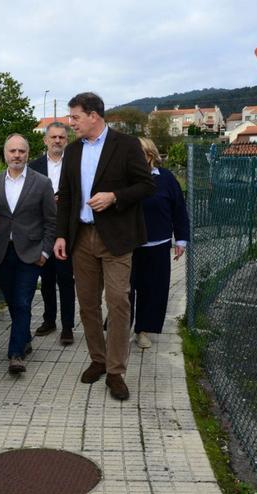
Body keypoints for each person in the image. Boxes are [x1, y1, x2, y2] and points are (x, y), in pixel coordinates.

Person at [53, 92, 156, 400]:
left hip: (117, 237)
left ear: (94, 116)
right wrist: (61, 235)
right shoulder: (72, 151)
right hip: (81, 237)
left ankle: (116, 371)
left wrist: (114, 197)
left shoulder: (125, 145)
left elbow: (147, 185)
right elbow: (66, 197)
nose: (72, 124)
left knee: (118, 302)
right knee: (87, 304)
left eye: (75, 117)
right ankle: (97, 360)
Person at [0, 134, 56, 374]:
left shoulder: (42, 183)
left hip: (31, 253)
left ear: (28, 154)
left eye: (22, 151)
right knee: (14, 303)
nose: (17, 155)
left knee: (23, 300)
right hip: (3, 253)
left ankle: (15, 354)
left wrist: (46, 252)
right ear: (5, 154)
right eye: (12, 151)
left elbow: (51, 221)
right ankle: (24, 338)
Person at [128, 138, 189, 348]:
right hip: (128, 246)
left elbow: (179, 209)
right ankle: (120, 329)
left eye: (139, 154)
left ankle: (143, 330)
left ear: (150, 156)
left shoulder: (166, 179)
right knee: (123, 290)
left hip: (158, 245)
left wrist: (181, 239)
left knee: (152, 290)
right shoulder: (123, 179)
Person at [29, 122, 76, 345]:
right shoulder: (34, 166)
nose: (57, 141)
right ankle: (49, 320)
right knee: (46, 279)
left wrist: (64, 201)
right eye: (53, 137)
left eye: (62, 137)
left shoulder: (75, 164)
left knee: (66, 279)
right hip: (43, 231)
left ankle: (67, 326)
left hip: (67, 231)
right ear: (45, 140)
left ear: (67, 140)